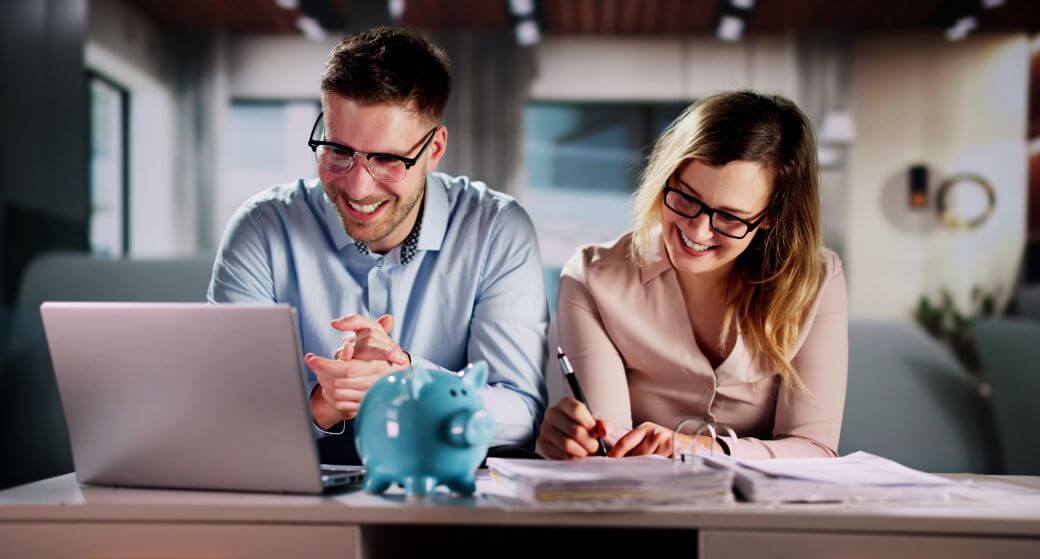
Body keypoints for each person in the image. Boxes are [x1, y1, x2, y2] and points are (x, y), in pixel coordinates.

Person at [209, 27, 548, 462]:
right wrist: (323, 404)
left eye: (387, 159)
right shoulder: (262, 226)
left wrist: (409, 379)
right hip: (299, 501)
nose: (356, 186)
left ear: (434, 149)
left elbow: (520, 413)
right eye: (337, 150)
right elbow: (226, 413)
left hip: (447, 498)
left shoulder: (498, 229)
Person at [538, 91, 847, 460]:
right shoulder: (592, 278)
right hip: (643, 507)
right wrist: (577, 441)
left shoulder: (816, 281)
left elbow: (815, 449)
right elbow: (611, 447)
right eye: (685, 198)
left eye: (730, 217)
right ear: (665, 177)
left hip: (765, 513)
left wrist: (698, 448)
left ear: (769, 217)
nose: (697, 232)